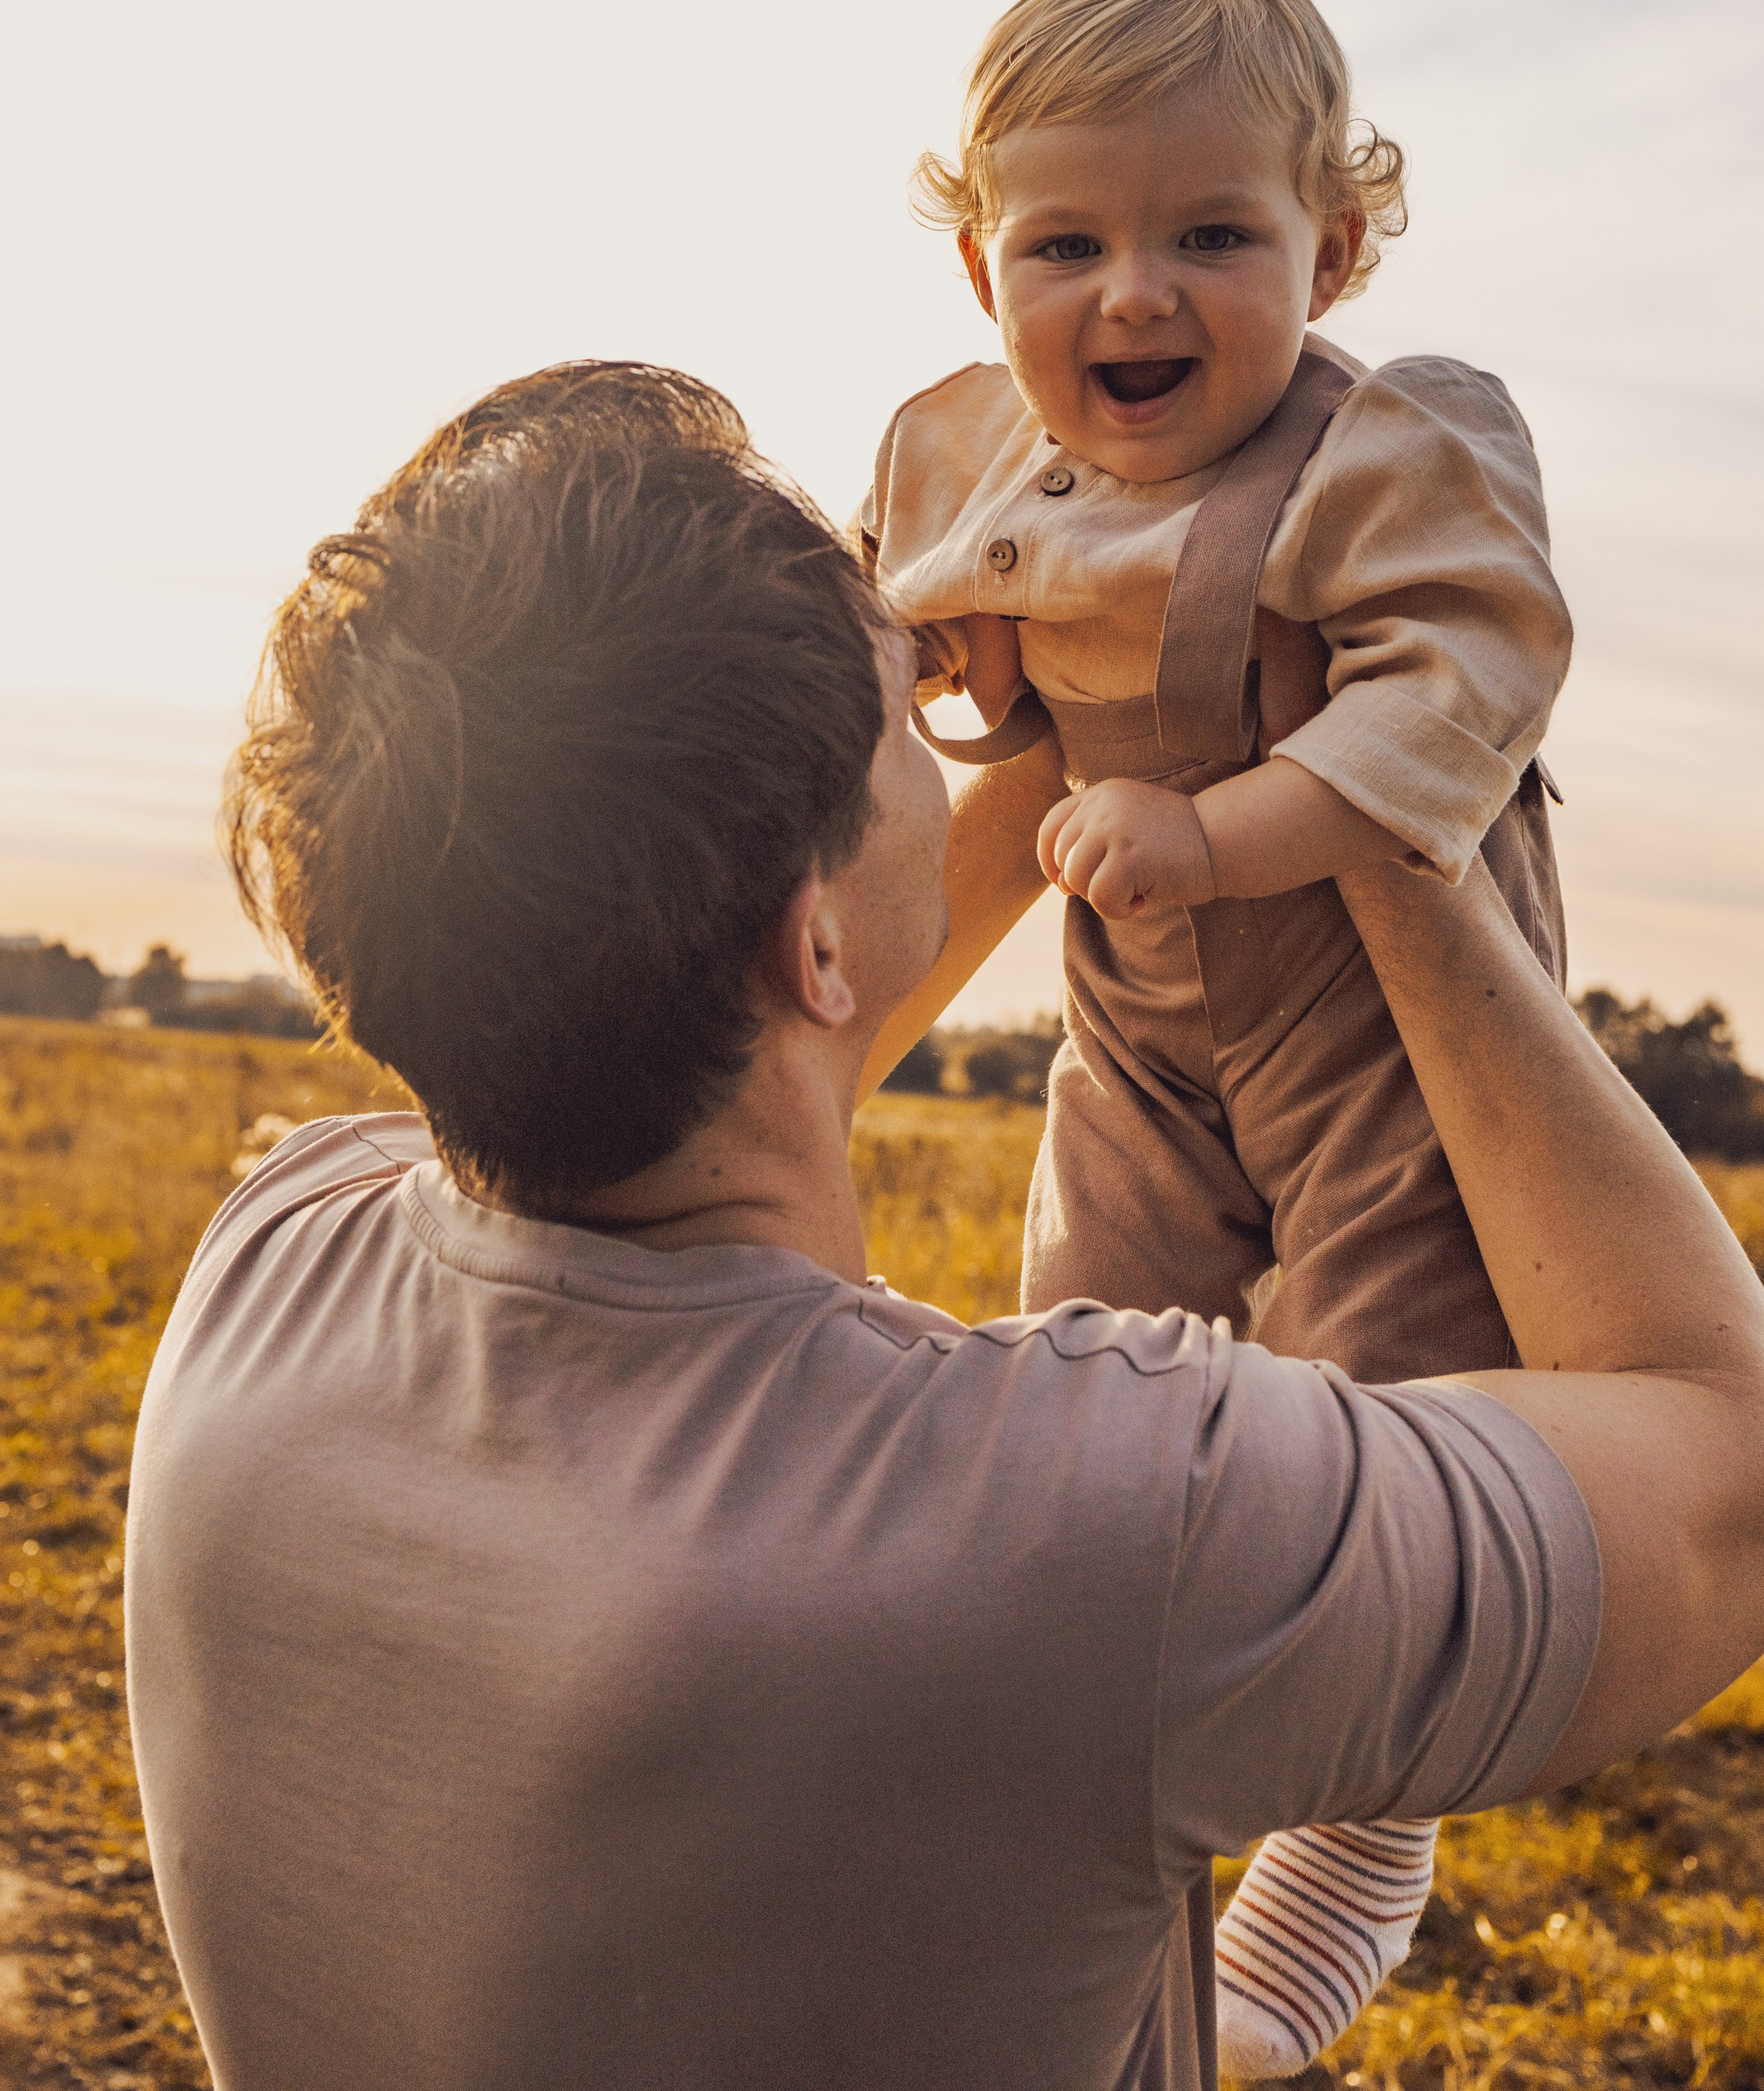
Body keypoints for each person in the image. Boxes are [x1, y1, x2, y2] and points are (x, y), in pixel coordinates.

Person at [124, 359, 1764, 2091]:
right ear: (814, 943)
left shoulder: (272, 1259)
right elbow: (1724, 1478)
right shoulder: (1092, 1525)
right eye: (903, 720)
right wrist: (1370, 803)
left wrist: (1116, 711)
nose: (944, 717)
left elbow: (717, 1039)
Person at [858, 0, 1571, 2065]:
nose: (1132, 295)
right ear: (979, 264)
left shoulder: (1388, 456)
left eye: (1211, 233)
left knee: (1384, 1398)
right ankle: (1119, 1803)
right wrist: (972, 682)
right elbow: (959, 643)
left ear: (1336, 249)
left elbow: (1467, 694)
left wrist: (1232, 824)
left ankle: (1361, 1824)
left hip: (1378, 1006)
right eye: (1061, 240)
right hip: (1143, 1022)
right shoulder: (975, 454)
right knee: (1099, 1364)